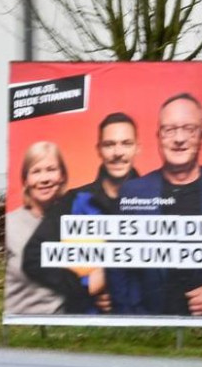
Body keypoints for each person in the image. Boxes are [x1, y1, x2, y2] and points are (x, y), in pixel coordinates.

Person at [110, 93, 202, 317]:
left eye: (189, 129)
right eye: (169, 130)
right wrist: (133, 317)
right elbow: (117, 264)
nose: (179, 138)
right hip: (149, 325)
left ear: (201, 136)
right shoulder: (133, 191)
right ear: (159, 137)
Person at [22, 112, 139, 314]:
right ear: (99, 150)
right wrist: (83, 287)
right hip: (84, 323)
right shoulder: (75, 200)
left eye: (126, 143)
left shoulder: (155, 198)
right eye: (109, 144)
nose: (118, 152)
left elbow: (169, 261)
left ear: (137, 148)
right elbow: (34, 257)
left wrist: (121, 293)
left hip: (143, 325)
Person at [5, 140, 68, 316]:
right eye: (36, 171)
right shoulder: (9, 225)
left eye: (51, 169)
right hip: (19, 323)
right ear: (25, 180)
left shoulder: (75, 220)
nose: (45, 179)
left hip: (64, 328)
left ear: (62, 175)